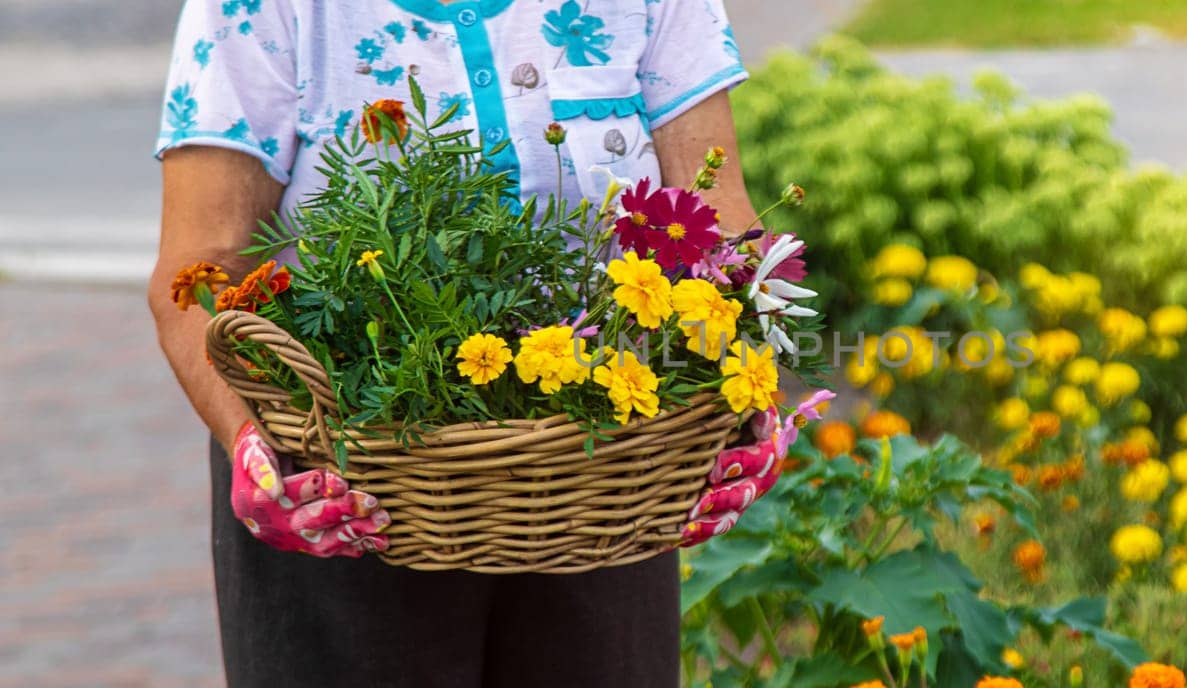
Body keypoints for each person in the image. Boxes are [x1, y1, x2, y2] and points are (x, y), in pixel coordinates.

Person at [146, 1, 768, 685]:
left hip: (605, 477)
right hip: (343, 488)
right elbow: (201, 268)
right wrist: (250, 447)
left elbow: (719, 229)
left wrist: (745, 397)